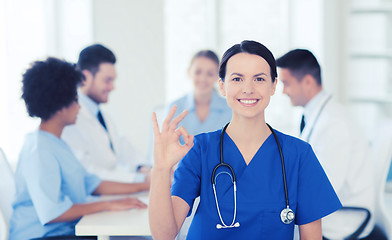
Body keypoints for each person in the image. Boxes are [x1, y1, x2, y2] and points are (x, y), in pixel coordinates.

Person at [149, 40, 342, 239]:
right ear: (222, 86)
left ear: (273, 85)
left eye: (259, 79)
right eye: (237, 79)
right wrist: (161, 168)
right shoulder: (200, 150)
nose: (248, 89)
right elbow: (164, 235)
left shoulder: (299, 155)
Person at [9, 58, 149, 240]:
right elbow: (53, 213)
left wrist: (147, 185)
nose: (79, 106)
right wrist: (109, 205)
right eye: (75, 100)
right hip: (41, 237)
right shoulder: (39, 150)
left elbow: (93, 184)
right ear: (59, 107)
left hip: (63, 232)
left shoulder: (57, 143)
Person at [277, 49, 383, 239]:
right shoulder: (320, 116)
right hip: (335, 211)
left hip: (344, 220)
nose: (284, 91)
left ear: (308, 82)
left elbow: (324, 187)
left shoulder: (334, 123)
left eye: (286, 83)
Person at [162, 50, 232, 240]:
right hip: (182, 185)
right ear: (189, 72)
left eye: (210, 73)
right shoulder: (175, 108)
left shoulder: (229, 109)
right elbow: (165, 154)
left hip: (219, 187)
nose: (203, 78)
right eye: (198, 71)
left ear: (218, 77)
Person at [62, 44, 149, 181]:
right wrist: (139, 179)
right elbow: (87, 173)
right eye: (107, 80)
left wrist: (144, 168)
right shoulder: (69, 119)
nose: (112, 87)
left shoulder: (103, 118)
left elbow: (124, 149)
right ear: (85, 77)